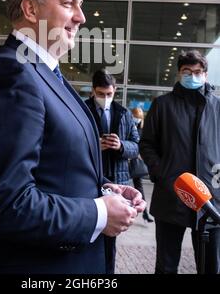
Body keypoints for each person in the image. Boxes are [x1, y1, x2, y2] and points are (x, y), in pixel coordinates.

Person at [0, 0, 145, 274]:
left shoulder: (45, 74)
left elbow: (54, 167)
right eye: (69, 4)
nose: (81, 17)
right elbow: (7, 205)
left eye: (80, 5)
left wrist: (106, 189)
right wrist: (99, 213)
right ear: (31, 10)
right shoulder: (11, 74)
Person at [140, 50, 220, 274]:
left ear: (205, 74)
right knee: (166, 265)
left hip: (211, 200)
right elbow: (146, 144)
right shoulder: (162, 105)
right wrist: (161, 172)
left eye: (197, 72)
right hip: (171, 195)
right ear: (178, 73)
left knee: (211, 266)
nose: (192, 76)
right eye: (187, 71)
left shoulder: (217, 107)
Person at [85, 69, 140, 273]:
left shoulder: (124, 113)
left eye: (109, 94)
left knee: (110, 237)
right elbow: (70, 143)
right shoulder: (82, 109)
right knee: (89, 231)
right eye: (100, 94)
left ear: (115, 91)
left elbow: (137, 145)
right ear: (93, 91)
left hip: (116, 181)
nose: (105, 98)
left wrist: (121, 146)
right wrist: (93, 145)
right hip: (91, 179)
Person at [130, 107, 154, 223]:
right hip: (125, 162)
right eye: (135, 117)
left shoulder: (142, 130)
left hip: (135, 164)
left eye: (139, 118)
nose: (137, 120)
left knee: (139, 188)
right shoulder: (128, 127)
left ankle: (145, 213)